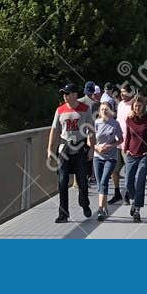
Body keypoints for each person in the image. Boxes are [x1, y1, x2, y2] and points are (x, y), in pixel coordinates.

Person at [46, 81, 95, 222]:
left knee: (82, 181)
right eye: (63, 94)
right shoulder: (60, 110)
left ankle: (84, 203)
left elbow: (90, 130)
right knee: (62, 182)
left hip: (79, 147)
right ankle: (63, 214)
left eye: (67, 94)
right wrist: (49, 149)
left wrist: (92, 148)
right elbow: (54, 130)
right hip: (64, 148)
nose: (65, 96)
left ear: (75, 95)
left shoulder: (85, 109)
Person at [122, 93, 147, 223]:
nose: (137, 108)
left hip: (145, 154)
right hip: (131, 153)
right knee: (128, 181)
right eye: (135, 106)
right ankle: (133, 200)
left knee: (141, 180)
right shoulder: (129, 119)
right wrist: (126, 149)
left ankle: (137, 209)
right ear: (133, 106)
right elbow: (128, 136)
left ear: (143, 106)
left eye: (139, 106)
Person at [92, 99, 123, 220]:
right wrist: (96, 147)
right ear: (99, 111)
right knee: (100, 183)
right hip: (97, 156)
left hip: (111, 157)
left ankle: (100, 209)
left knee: (104, 181)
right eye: (102, 109)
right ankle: (105, 207)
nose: (104, 111)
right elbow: (90, 139)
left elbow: (120, 139)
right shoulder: (96, 123)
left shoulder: (115, 124)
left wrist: (111, 145)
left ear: (111, 111)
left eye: (106, 109)